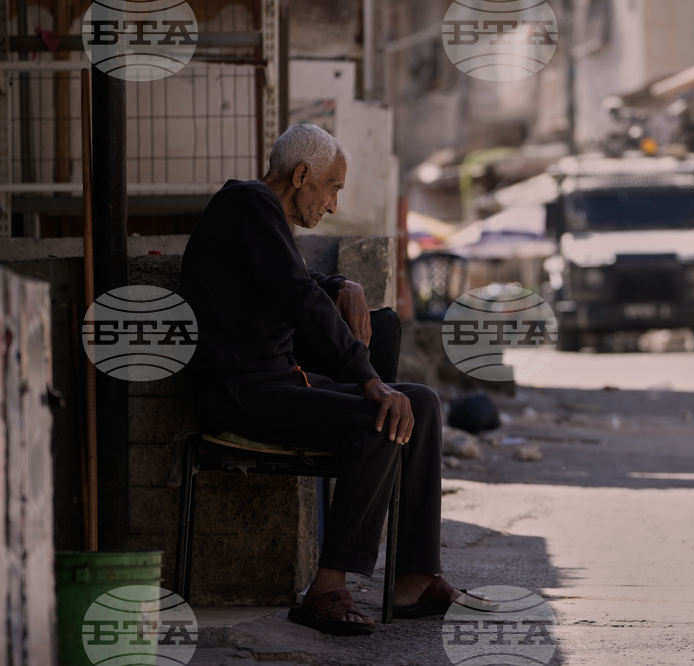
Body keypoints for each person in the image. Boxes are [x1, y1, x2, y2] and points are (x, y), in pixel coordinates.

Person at [181, 123, 487, 635]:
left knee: (424, 402)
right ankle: (325, 586)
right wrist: (370, 380)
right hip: (238, 393)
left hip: (283, 385)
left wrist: (341, 283)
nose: (333, 205)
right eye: (332, 188)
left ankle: (414, 578)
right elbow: (296, 297)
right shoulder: (248, 201)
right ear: (302, 175)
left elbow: (294, 281)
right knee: (380, 415)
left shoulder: (264, 220)